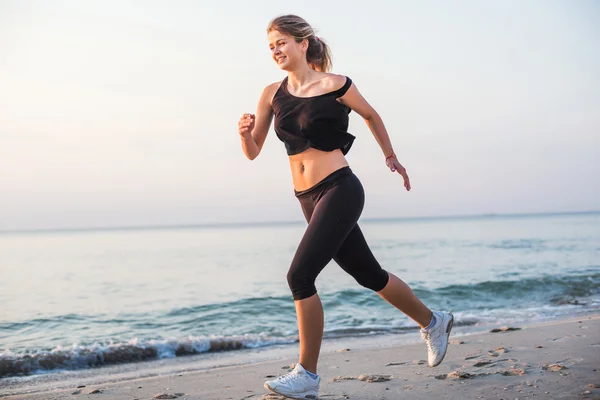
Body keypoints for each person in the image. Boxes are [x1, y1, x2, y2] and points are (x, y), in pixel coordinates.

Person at [237, 14, 453, 400]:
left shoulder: (336, 85)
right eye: (270, 46)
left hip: (340, 188)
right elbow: (253, 152)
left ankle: (307, 375)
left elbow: (371, 115)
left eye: (281, 42)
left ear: (303, 43)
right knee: (369, 274)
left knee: (299, 276)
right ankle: (433, 321)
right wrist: (243, 134)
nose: (275, 50)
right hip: (306, 197)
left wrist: (391, 158)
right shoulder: (271, 93)